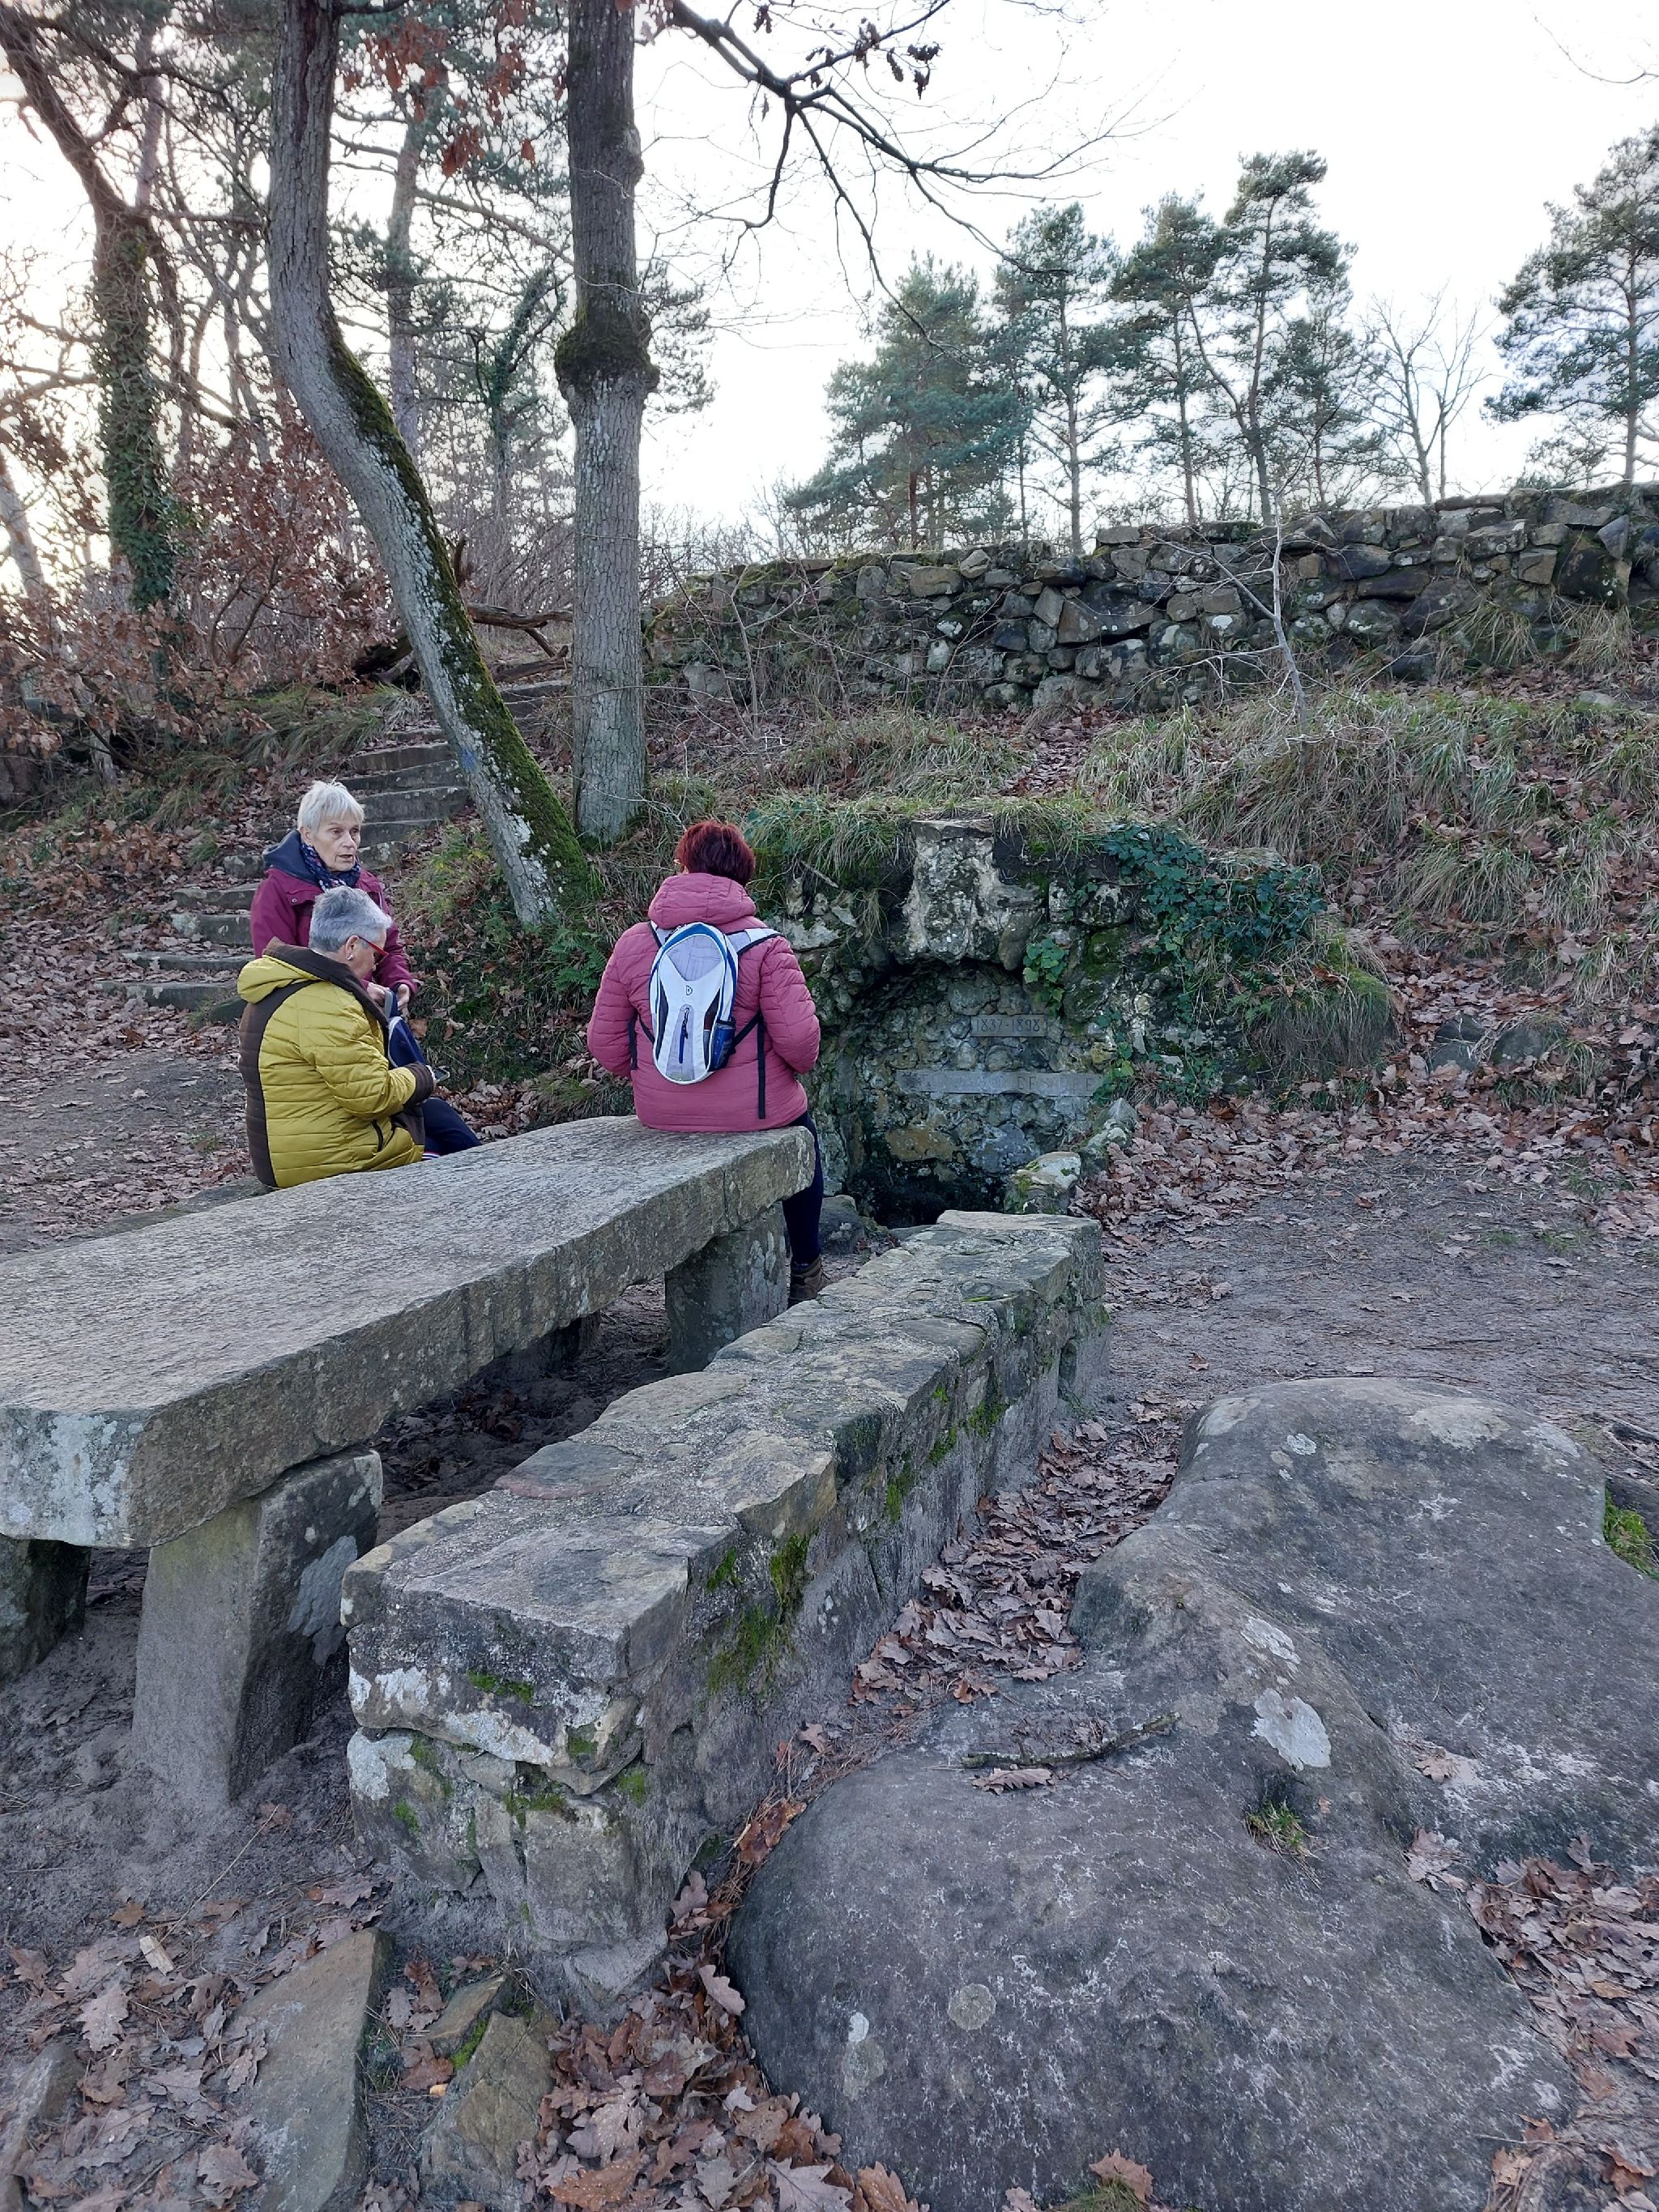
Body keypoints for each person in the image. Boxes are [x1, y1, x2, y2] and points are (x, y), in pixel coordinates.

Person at [586, 819, 826, 1301]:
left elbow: (605, 1046)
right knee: (807, 1143)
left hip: (661, 1113)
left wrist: (653, 1076)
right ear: (743, 875)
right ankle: (806, 1266)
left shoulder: (635, 943)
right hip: (757, 1116)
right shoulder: (767, 947)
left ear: (683, 866)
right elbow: (801, 1047)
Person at [250, 775, 478, 1156]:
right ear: (307, 835)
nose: (350, 842)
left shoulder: (366, 885)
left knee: (435, 1117)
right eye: (336, 832)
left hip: (366, 1024)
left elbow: (390, 946)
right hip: (315, 1035)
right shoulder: (276, 891)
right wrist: (355, 989)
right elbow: (277, 968)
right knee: (407, 1113)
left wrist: (400, 983)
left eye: (354, 831)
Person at [237, 884, 438, 1189]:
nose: (377, 963)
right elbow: (372, 1097)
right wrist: (423, 1077)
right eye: (377, 952)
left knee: (437, 1116)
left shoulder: (280, 984)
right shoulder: (330, 1004)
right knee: (447, 1139)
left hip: (286, 1153)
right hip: (325, 1162)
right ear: (352, 946)